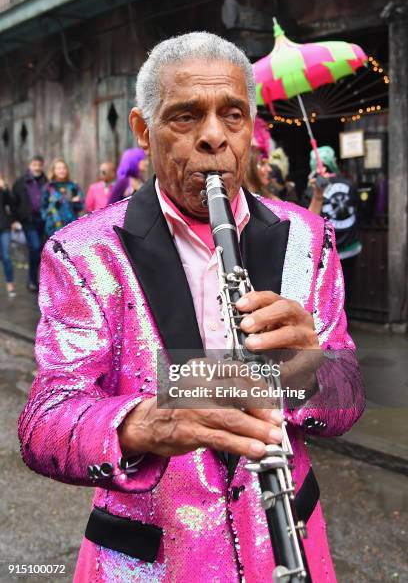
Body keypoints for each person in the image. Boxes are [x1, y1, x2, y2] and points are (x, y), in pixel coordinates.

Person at [19, 33, 364, 582]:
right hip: (148, 559)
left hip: (286, 540)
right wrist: (140, 420)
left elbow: (348, 397)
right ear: (142, 128)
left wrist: (310, 372)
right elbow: (43, 425)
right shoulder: (82, 252)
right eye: (185, 117)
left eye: (232, 116)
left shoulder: (308, 236)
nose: (213, 137)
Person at [301, 146, 362, 305]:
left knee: (327, 292)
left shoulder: (311, 191)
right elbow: (360, 209)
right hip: (350, 247)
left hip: (328, 251)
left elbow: (306, 220)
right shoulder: (349, 184)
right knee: (346, 287)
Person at [12, 155, 47, 292]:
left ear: (42, 166)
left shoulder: (46, 181)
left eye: (39, 165)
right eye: (34, 165)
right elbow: (14, 202)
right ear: (30, 166)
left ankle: (39, 280)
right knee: (35, 247)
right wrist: (15, 219)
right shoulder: (21, 182)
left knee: (41, 250)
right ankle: (31, 280)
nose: (37, 168)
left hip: (43, 220)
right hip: (28, 220)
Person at [41, 158, 84, 239]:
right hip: (53, 226)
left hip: (71, 226)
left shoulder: (73, 186)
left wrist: (75, 202)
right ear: (54, 171)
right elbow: (43, 206)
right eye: (59, 168)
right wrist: (47, 217)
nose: (62, 170)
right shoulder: (49, 187)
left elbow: (80, 206)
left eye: (64, 168)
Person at [0, 174, 16, 297]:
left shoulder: (3, 190)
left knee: (5, 256)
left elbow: (11, 203)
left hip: (4, 227)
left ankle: (10, 283)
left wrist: (5, 188)